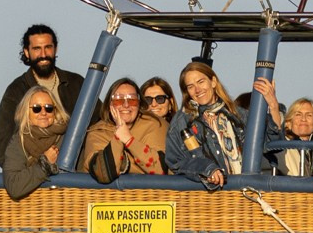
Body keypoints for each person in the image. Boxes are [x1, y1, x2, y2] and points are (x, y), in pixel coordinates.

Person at [0, 24, 85, 167]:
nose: (43, 54)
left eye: (48, 47)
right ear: (27, 52)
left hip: (76, 176)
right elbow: (3, 151)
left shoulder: (76, 84)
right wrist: (37, 169)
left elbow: (99, 123)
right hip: (37, 180)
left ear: (55, 49)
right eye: (37, 49)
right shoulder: (16, 91)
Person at [163, 58, 244, 188]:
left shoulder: (237, 114)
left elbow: (266, 143)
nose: (197, 89)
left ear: (213, 82)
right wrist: (207, 169)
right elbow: (175, 160)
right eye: (191, 86)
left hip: (244, 191)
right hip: (208, 195)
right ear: (187, 92)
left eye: (201, 82)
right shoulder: (182, 121)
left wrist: (273, 106)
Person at [1, 81, 67, 199]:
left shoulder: (68, 138)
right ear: (26, 111)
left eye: (49, 108)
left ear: (55, 111)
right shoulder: (19, 141)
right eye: (36, 108)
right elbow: (14, 186)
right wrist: (44, 163)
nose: (43, 113)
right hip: (33, 210)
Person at [82, 75, 149, 183]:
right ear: (110, 105)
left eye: (132, 100)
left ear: (139, 104)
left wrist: (128, 139)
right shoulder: (97, 133)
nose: (126, 105)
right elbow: (102, 171)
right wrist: (119, 136)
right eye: (118, 100)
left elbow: (162, 168)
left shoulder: (153, 127)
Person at [132, 76, 177, 175]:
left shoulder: (182, 131)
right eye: (147, 100)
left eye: (160, 99)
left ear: (171, 103)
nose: (154, 104)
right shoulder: (132, 133)